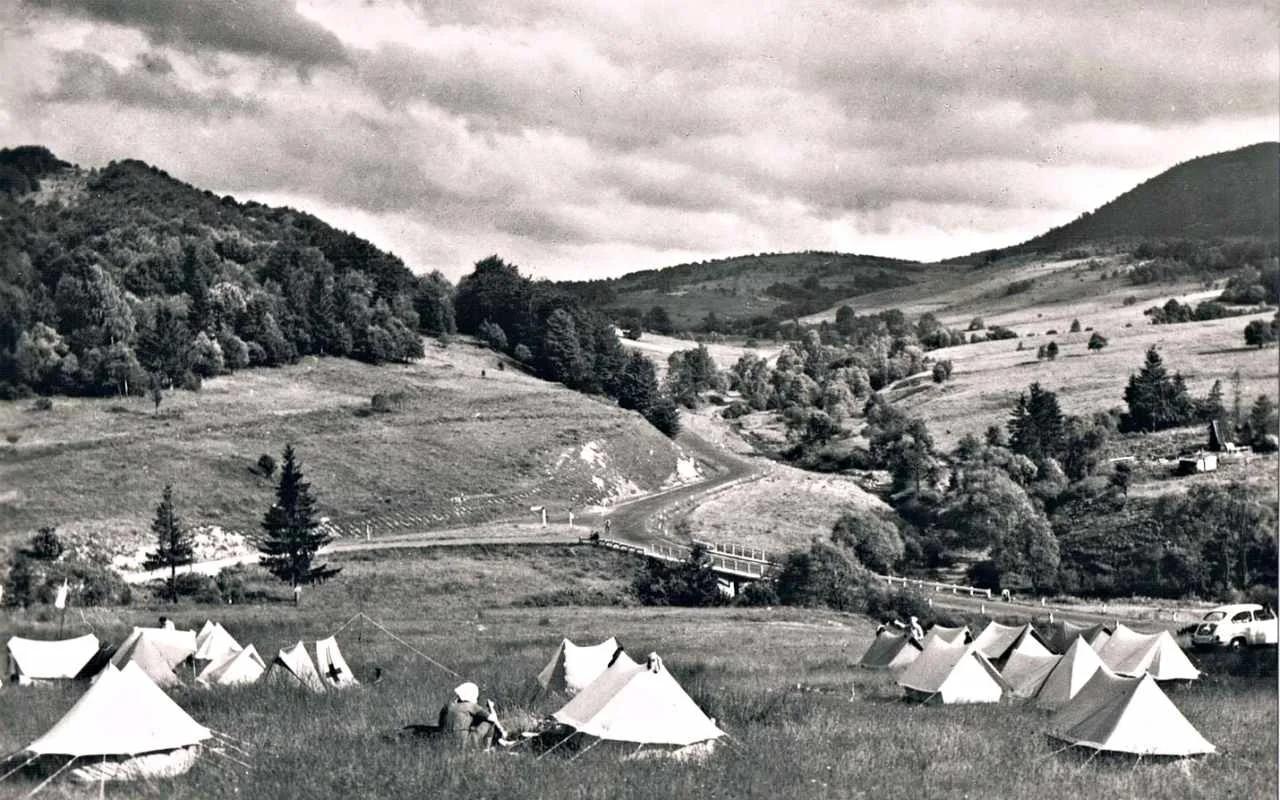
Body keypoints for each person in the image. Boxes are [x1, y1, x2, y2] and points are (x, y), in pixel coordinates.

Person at [437, 682, 504, 749]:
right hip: (463, 744)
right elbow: (493, 718)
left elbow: (440, 722)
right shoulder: (471, 706)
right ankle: (487, 749)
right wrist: (491, 707)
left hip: (445, 741)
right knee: (489, 722)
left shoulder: (448, 706)